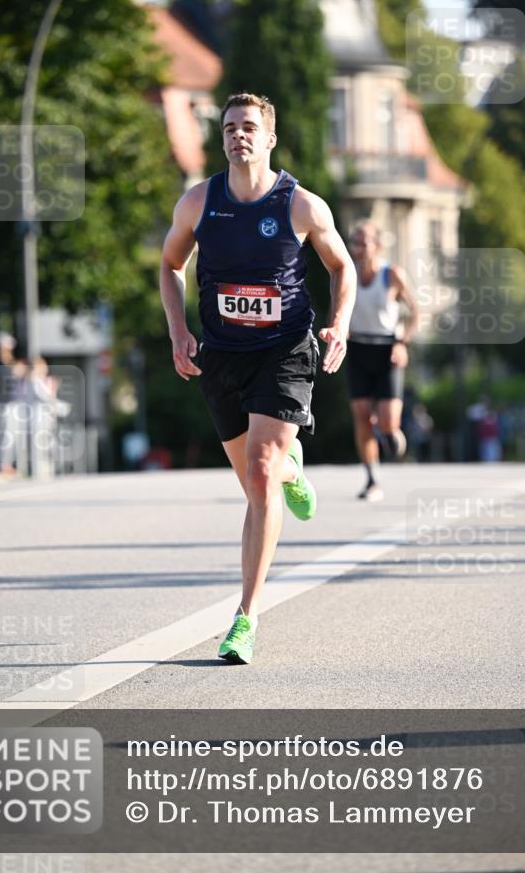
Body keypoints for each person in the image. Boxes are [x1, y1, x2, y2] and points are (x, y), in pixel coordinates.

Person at [160, 92, 356, 664]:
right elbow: (171, 265)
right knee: (254, 483)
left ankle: (245, 617)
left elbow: (341, 267)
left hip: (286, 349)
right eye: (228, 128)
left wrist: (340, 325)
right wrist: (178, 331)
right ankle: (290, 467)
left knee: (261, 471)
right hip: (221, 353)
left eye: (248, 127)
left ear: (269, 138)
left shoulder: (302, 206)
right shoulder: (199, 202)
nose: (237, 135)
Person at [346, 221, 418, 501]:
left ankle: (391, 433)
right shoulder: (346, 273)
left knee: (387, 423)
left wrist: (402, 343)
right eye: (356, 242)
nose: (359, 248)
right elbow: (336, 309)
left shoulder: (392, 274)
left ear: (377, 245)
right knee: (362, 416)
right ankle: (372, 479)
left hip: (387, 349)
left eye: (364, 242)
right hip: (357, 347)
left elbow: (415, 312)